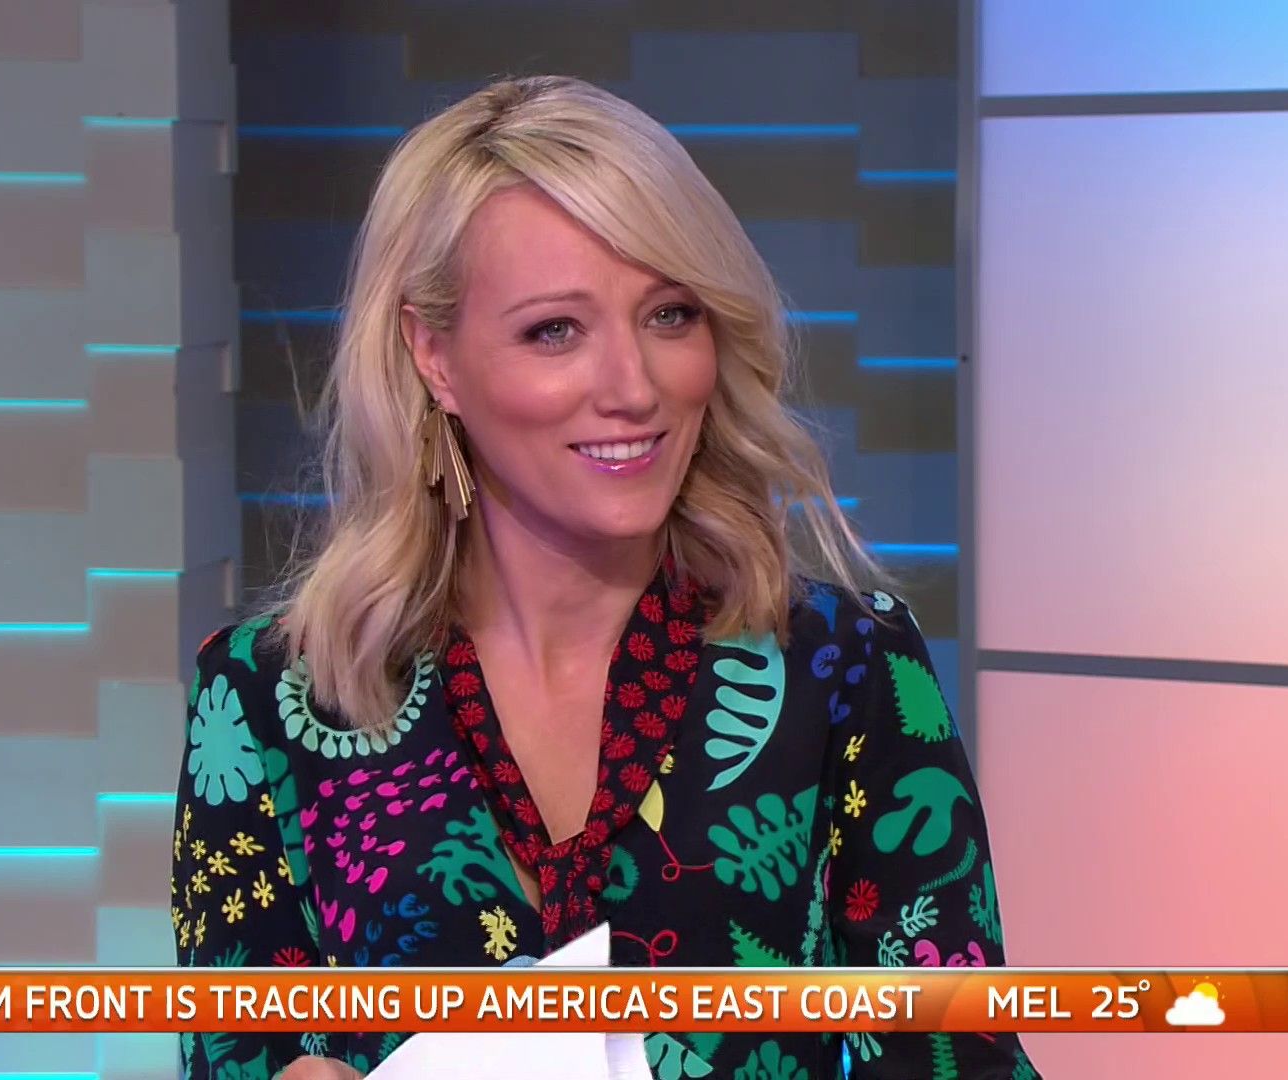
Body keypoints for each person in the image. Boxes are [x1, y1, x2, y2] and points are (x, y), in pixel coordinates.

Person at [172, 74, 1038, 1080]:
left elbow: (961, 1057)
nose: (634, 388)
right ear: (434, 356)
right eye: (555, 330)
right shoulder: (267, 701)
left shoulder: (848, 669)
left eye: (670, 315)